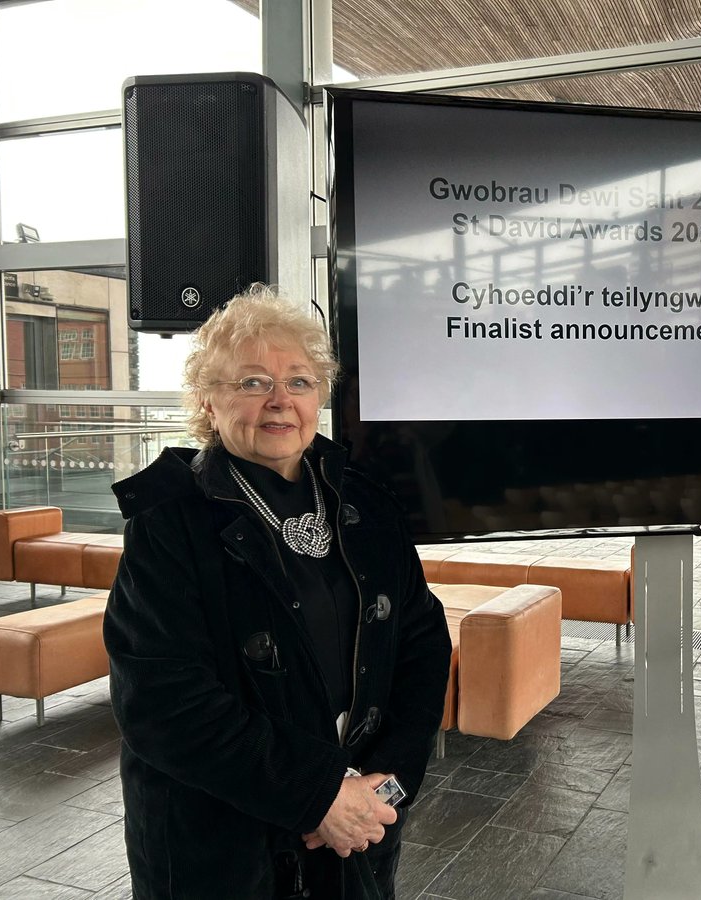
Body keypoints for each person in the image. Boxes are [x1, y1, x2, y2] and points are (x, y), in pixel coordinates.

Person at [104, 285, 452, 899]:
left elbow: (420, 641)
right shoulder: (168, 521)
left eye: (299, 382)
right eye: (252, 382)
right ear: (208, 402)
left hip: (359, 827)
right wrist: (318, 795)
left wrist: (385, 786)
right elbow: (162, 701)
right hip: (222, 846)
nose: (279, 401)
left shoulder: (366, 501)